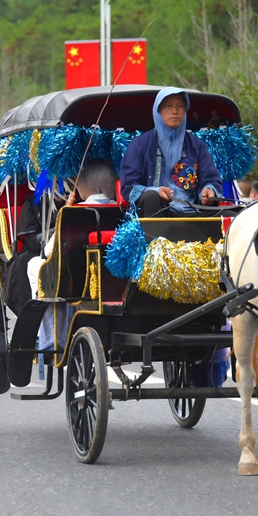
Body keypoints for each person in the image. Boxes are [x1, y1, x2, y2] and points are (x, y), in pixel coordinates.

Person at [27, 160, 118, 362]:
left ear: (85, 184)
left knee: (34, 266)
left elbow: (50, 251)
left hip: (73, 274)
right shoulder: (123, 210)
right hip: (111, 275)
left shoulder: (72, 212)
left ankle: (49, 335)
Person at [119, 87, 224, 217]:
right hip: (156, 212)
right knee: (151, 197)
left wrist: (208, 190)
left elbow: (212, 179)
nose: (175, 111)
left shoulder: (197, 145)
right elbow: (128, 186)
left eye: (180, 106)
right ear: (158, 111)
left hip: (193, 211)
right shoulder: (139, 144)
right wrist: (156, 191)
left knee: (233, 216)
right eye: (169, 106)